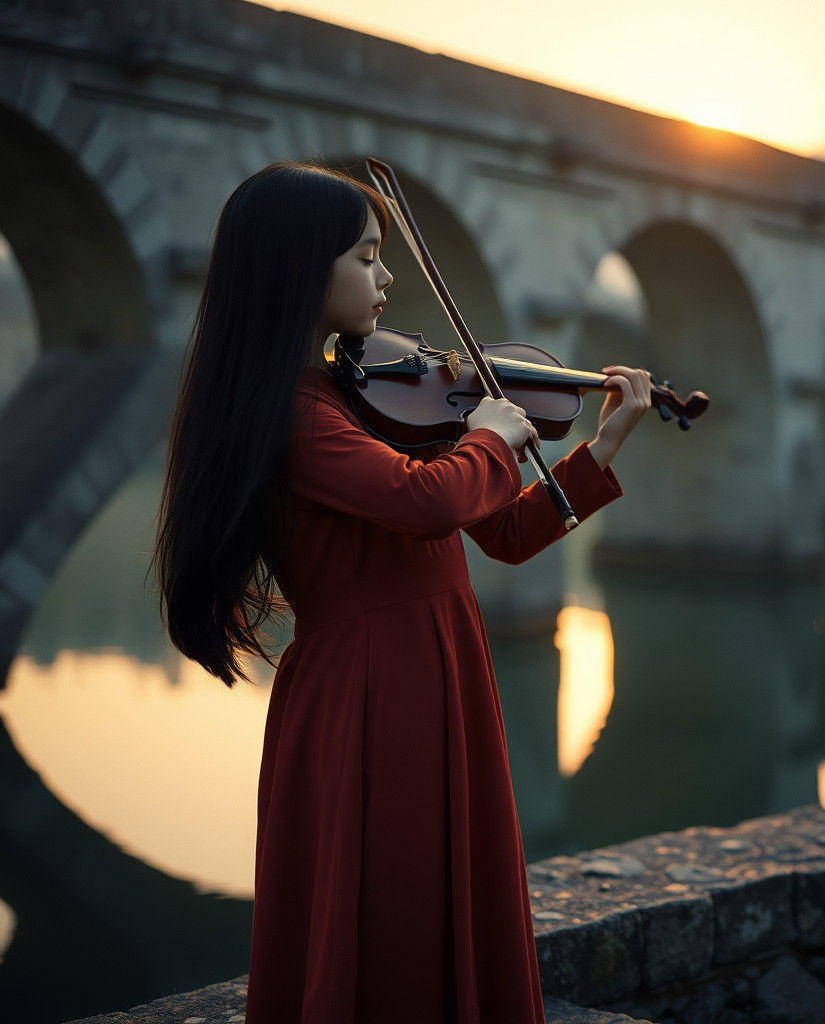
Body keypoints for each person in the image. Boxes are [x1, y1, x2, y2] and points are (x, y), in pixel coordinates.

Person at [153, 160, 653, 1024]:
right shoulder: (293, 416)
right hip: (370, 687)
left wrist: (599, 450)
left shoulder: (360, 399)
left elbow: (500, 533)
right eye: (366, 257)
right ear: (297, 270)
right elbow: (430, 503)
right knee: (386, 895)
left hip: (434, 669)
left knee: (434, 883)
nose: (386, 277)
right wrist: (493, 432)